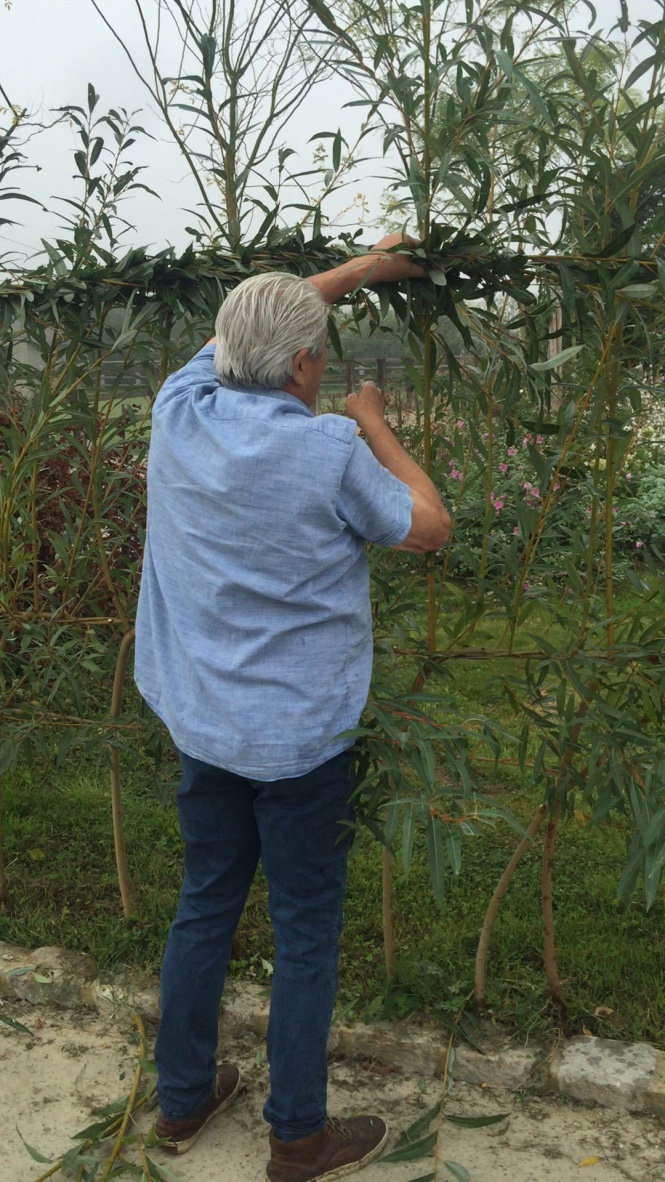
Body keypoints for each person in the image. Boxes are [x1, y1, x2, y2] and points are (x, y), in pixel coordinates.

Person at [134, 234, 451, 1182]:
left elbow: (253, 321)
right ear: (308, 365)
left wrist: (357, 268)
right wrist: (372, 421)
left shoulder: (179, 408)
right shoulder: (326, 449)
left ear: (226, 350)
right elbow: (428, 528)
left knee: (204, 907)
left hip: (203, 721)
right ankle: (297, 1136)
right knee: (305, 929)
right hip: (300, 740)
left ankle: (184, 1101)